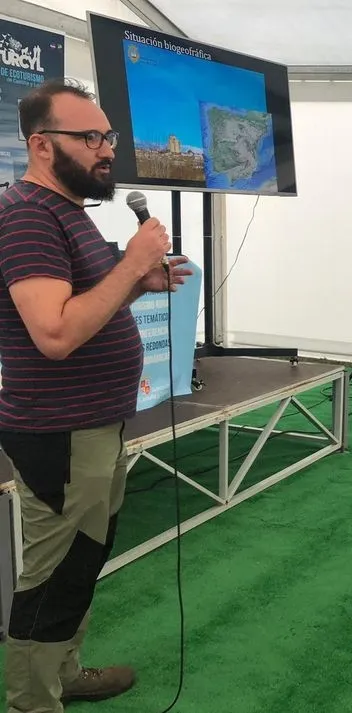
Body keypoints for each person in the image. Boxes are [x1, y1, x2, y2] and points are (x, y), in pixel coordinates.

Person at [0, 79, 191, 712]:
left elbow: (85, 307)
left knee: (82, 561)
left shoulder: (67, 213)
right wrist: (133, 262)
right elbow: (54, 334)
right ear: (41, 144)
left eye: (107, 135)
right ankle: (34, 703)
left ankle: (66, 674)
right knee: (51, 577)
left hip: (96, 423)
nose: (105, 150)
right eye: (88, 137)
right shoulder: (26, 213)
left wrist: (138, 282)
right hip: (58, 432)